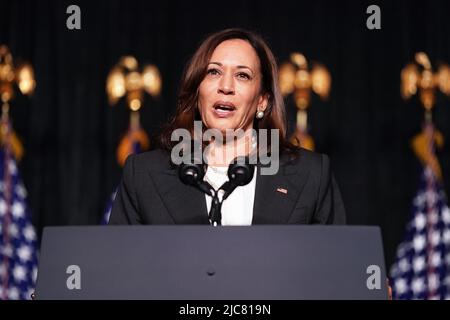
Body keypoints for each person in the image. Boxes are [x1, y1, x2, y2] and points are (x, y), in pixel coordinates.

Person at [108, 28, 346, 225]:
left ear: (262, 100)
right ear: (197, 91)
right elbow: (117, 271)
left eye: (242, 76)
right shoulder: (143, 175)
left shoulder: (312, 174)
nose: (226, 86)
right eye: (213, 72)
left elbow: (340, 270)